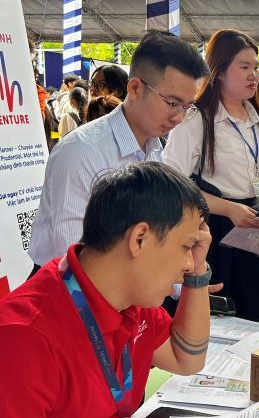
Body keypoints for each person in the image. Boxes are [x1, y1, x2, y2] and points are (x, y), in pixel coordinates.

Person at [0, 162, 245, 418]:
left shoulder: (129, 299)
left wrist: (198, 273)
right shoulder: (17, 345)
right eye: (186, 247)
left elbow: (187, 359)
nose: (188, 262)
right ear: (139, 239)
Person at [28, 30, 209, 270]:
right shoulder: (81, 152)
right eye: (172, 103)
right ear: (135, 88)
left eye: (187, 106)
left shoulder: (155, 150)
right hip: (70, 294)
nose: (179, 117)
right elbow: (74, 260)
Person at [163, 29, 259, 324]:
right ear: (219, 71)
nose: (254, 75)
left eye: (255, 67)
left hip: (255, 229)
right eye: (244, 67)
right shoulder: (195, 121)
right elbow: (174, 185)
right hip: (213, 232)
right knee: (220, 324)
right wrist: (228, 208)